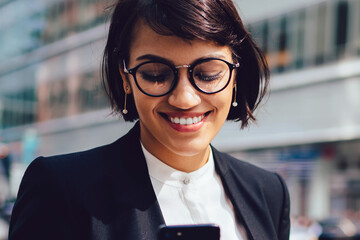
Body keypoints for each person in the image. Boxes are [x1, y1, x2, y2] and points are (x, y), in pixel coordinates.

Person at [9, 0, 290, 239]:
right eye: (156, 74)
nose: (185, 99)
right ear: (125, 78)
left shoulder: (268, 192)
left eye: (208, 73)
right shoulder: (60, 190)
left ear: (235, 76)